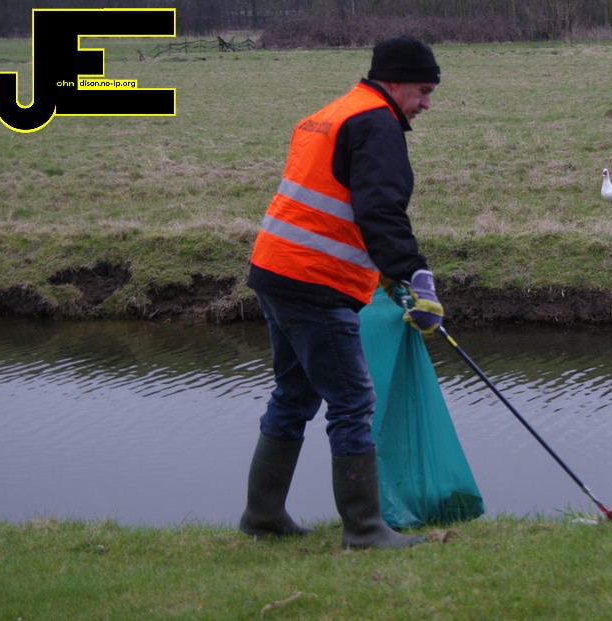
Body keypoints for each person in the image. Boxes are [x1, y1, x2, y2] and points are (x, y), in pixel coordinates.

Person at [239, 35, 444, 549]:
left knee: (294, 394)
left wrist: (388, 276)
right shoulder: (376, 124)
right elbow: (380, 211)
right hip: (314, 282)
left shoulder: (332, 114)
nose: (426, 103)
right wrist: (415, 275)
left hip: (275, 268)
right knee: (353, 402)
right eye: (422, 91)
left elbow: (338, 202)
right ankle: (365, 529)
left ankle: (263, 516)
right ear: (394, 81)